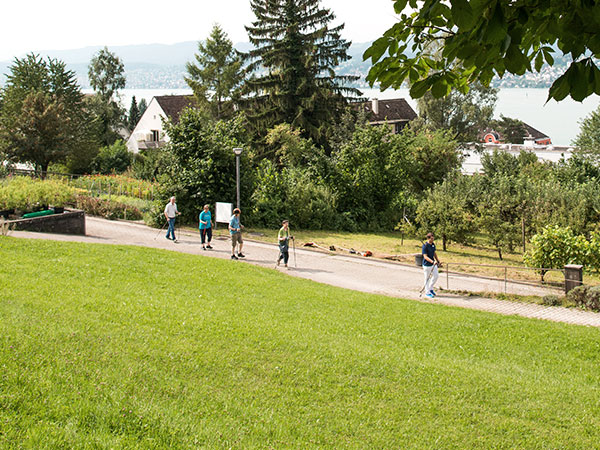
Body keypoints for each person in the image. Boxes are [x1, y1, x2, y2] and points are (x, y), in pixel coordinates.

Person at [422, 232, 442, 298]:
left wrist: (438, 261)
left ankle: (430, 288)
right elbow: (425, 256)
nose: (433, 239)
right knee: (427, 278)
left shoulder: (433, 244)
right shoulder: (425, 246)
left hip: (433, 264)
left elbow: (434, 253)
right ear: (428, 238)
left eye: (433, 238)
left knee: (436, 276)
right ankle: (427, 292)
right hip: (427, 265)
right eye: (431, 238)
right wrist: (432, 261)